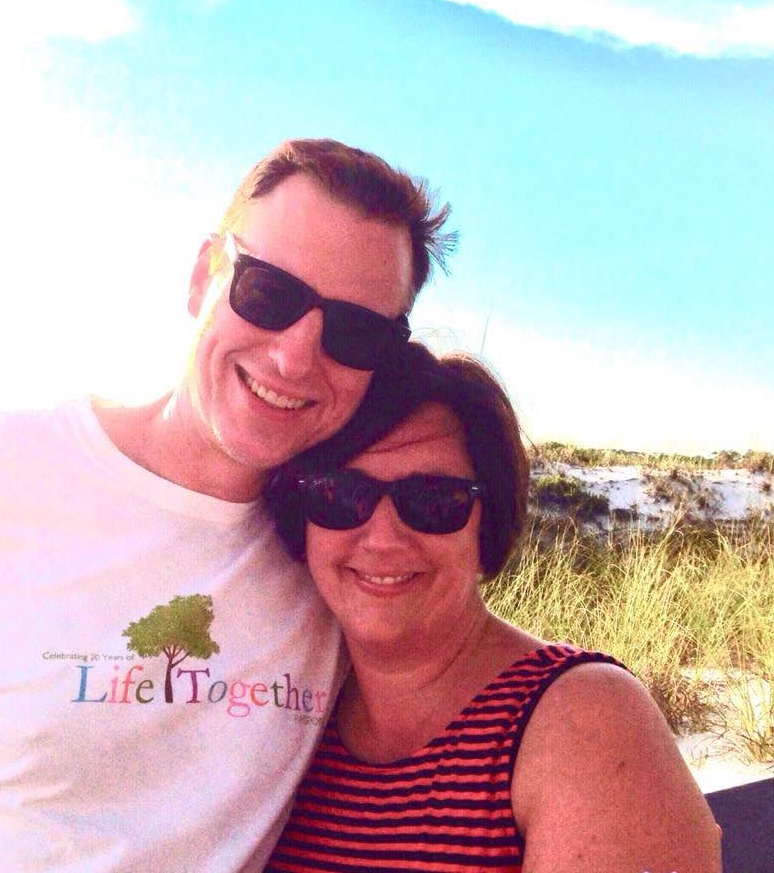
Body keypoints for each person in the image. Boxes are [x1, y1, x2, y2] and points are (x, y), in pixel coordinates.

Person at [0, 139, 453, 871]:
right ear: (202, 277)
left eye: (356, 331)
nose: (295, 355)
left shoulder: (343, 565)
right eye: (269, 294)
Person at [262, 344, 721, 872]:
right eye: (340, 494)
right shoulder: (285, 714)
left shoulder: (583, 720)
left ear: (488, 522)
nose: (383, 538)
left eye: (433, 500)